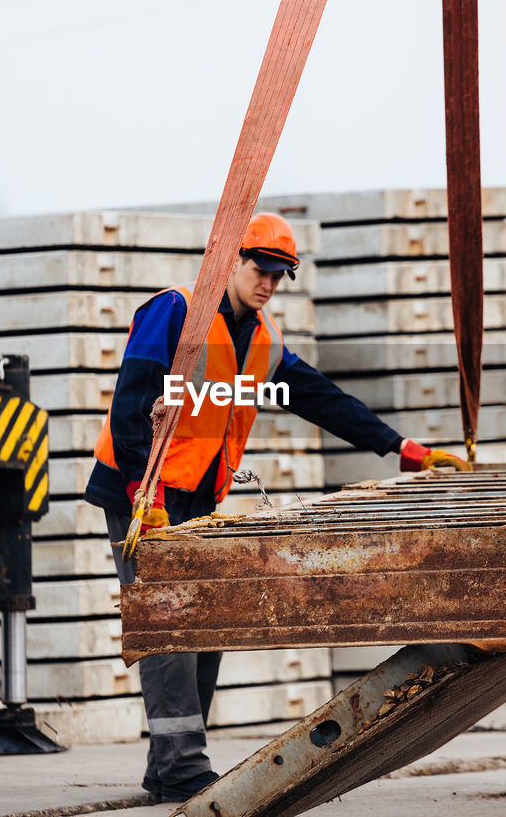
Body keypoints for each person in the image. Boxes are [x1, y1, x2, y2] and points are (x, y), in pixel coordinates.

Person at [84, 211, 467, 803]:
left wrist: (400, 448)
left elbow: (322, 399)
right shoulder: (176, 311)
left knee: (205, 625)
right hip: (142, 490)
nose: (268, 282)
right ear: (231, 261)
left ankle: (169, 771)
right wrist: (145, 493)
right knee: (169, 627)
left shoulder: (263, 342)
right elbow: (133, 401)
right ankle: (184, 766)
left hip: (198, 499)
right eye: (261, 269)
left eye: (279, 274)